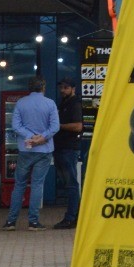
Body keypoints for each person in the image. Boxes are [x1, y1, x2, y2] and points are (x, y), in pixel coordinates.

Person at [4, 76, 58, 231]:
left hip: (25, 149)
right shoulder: (50, 103)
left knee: (19, 184)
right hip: (44, 149)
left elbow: (15, 126)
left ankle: (11, 221)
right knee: (37, 184)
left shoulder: (21, 103)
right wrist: (42, 137)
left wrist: (29, 136)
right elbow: (55, 127)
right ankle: (33, 222)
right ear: (43, 87)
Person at [51, 78, 85, 229]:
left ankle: (72, 218)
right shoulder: (63, 103)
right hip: (61, 148)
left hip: (68, 148)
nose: (62, 90)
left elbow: (78, 126)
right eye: (61, 87)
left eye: (66, 88)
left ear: (73, 88)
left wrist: (59, 126)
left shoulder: (74, 104)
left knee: (71, 184)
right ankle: (73, 216)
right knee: (68, 184)